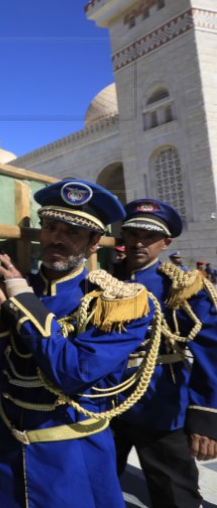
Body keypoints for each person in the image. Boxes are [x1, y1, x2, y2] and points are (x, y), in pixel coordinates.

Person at [0, 179, 157, 507]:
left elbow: (71, 373)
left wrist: (22, 301)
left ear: (94, 241)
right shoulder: (10, 289)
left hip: (71, 457)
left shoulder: (117, 303)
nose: (57, 238)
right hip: (6, 451)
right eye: (51, 227)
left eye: (72, 232)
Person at [111, 198, 217, 507]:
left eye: (149, 237)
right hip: (106, 406)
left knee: (175, 496)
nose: (139, 242)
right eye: (132, 234)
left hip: (162, 405)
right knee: (96, 488)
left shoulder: (182, 286)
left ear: (165, 242)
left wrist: (205, 419)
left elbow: (211, 351)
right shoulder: (103, 280)